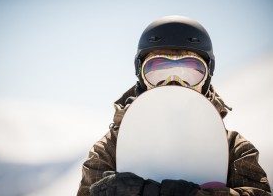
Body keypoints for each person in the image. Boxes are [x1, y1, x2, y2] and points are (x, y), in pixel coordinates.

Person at [77, 16, 271, 196]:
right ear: (141, 77)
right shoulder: (111, 147)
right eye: (158, 71)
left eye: (190, 72)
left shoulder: (233, 147)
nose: (173, 83)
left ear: (207, 77)